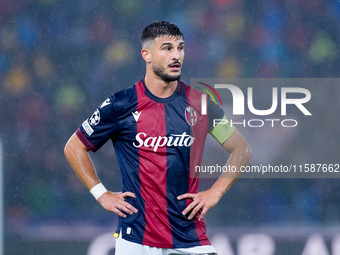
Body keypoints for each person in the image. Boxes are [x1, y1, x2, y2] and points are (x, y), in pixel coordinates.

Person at [64, 20, 251, 255]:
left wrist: (216, 191)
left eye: (180, 48)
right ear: (147, 54)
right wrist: (101, 194)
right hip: (136, 241)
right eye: (167, 48)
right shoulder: (121, 104)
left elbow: (241, 148)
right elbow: (74, 147)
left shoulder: (200, 104)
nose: (177, 56)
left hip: (190, 238)